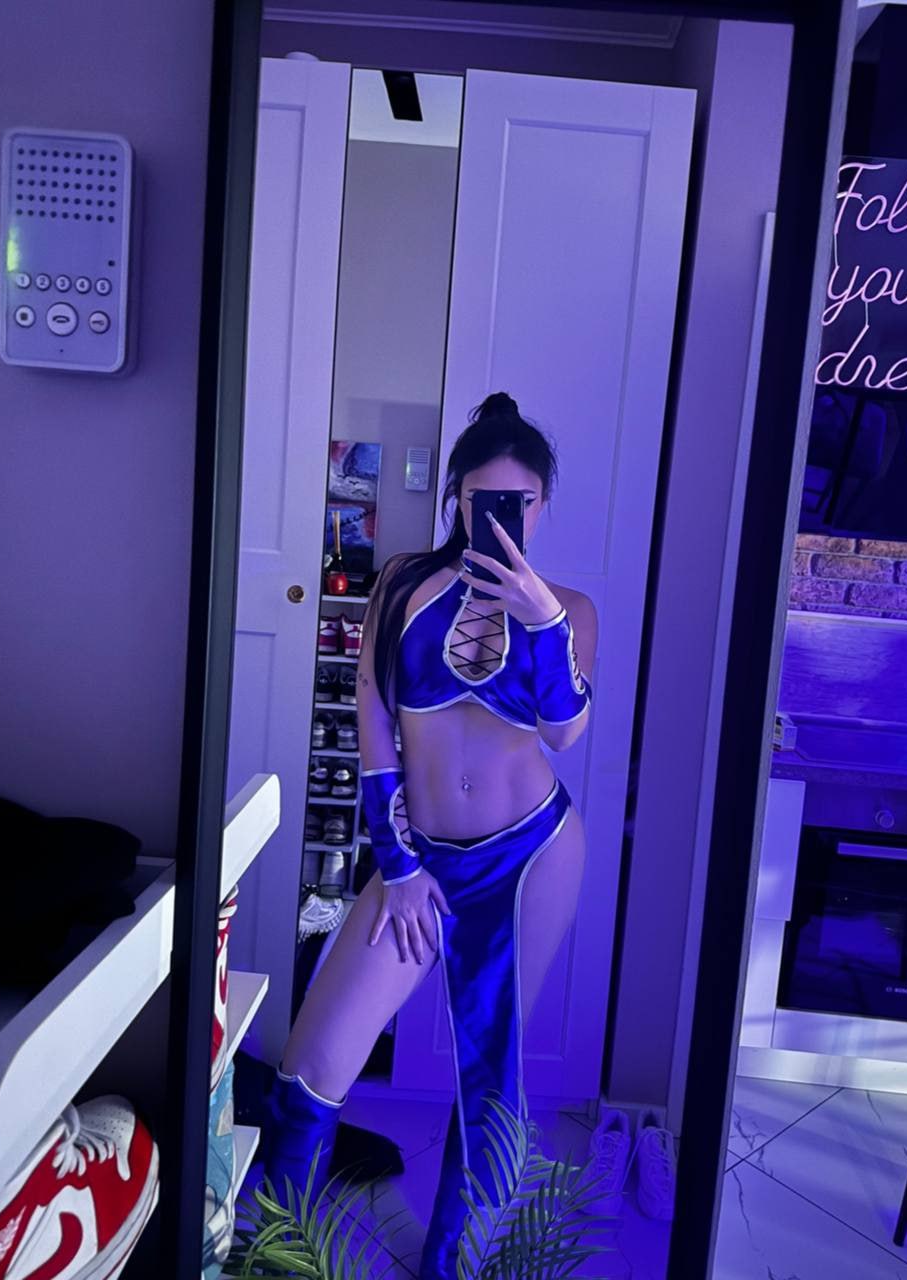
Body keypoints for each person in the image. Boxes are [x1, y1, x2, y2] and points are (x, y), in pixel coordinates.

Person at [265, 392, 598, 1277]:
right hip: (421, 860)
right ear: (457, 499)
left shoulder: (569, 609)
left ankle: (451, 1266)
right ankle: (274, 1256)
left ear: (542, 506)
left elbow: (565, 730)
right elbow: (373, 718)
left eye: (521, 503)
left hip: (531, 856)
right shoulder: (404, 582)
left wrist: (541, 621)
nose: (504, 518)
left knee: (491, 1070)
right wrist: (401, 866)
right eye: (485, 501)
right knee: (312, 1065)